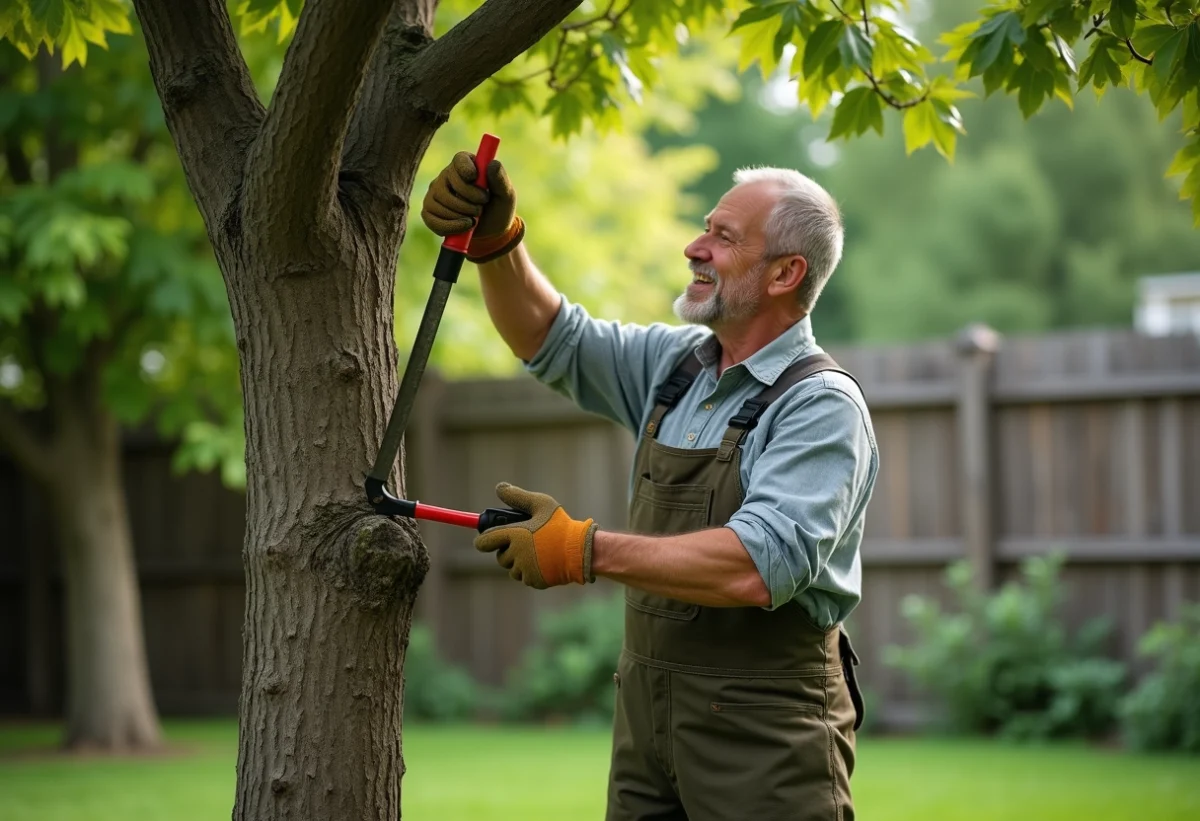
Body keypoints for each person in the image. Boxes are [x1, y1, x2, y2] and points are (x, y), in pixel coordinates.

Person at [419, 151, 879, 821]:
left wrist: (585, 548)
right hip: (646, 722)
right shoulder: (678, 367)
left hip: (766, 734)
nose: (695, 247)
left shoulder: (819, 405)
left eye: (724, 237)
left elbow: (756, 565)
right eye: (705, 228)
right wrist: (497, 241)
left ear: (786, 272)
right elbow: (550, 337)